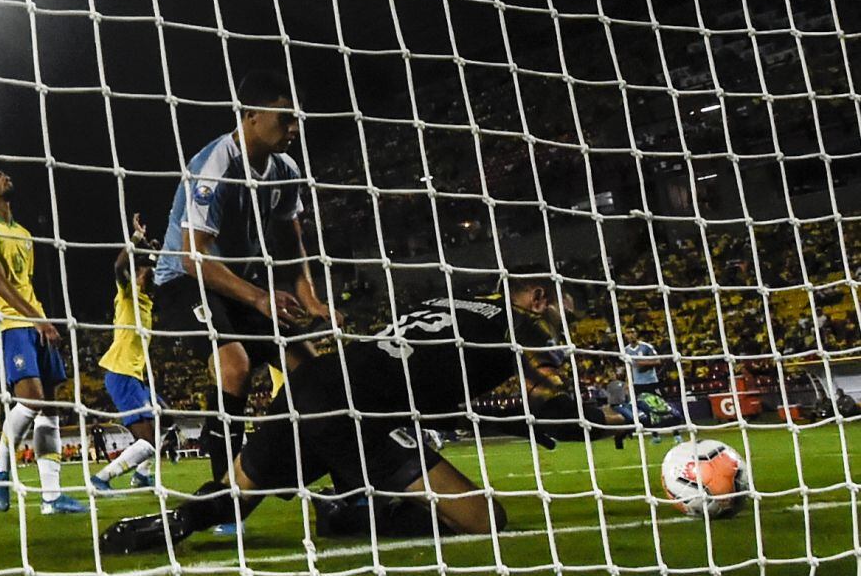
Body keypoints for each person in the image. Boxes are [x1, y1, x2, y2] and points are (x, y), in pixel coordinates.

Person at [101, 274, 625, 553]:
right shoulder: (519, 329)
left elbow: (441, 395)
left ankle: (172, 520)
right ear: (536, 298)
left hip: (315, 383)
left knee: (236, 499)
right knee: (486, 520)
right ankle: (349, 511)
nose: (562, 327)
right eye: (562, 311)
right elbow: (542, 399)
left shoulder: (454, 303)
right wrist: (579, 418)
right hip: (358, 413)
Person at [152, 71, 341, 530]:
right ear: (251, 116)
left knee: (313, 370)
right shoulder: (215, 162)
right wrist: (259, 298)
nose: (293, 128)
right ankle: (224, 497)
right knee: (234, 365)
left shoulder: (286, 171)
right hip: (185, 281)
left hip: (240, 283)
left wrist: (312, 301)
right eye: (285, 118)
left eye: (296, 120)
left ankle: (342, 481)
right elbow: (193, 256)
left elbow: (291, 245)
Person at [0, 165, 87, 515]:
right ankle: (1, 470)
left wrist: (41, 320)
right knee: (31, 401)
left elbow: (25, 284)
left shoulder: (23, 232)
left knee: (50, 409)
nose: (4, 176)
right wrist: (37, 320)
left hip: (35, 322)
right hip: (8, 323)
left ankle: (52, 496)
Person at [90, 214, 176, 493]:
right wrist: (137, 239)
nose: (146, 274)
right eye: (142, 271)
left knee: (167, 416)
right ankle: (102, 478)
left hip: (135, 377)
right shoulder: (127, 295)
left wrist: (155, 253)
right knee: (148, 441)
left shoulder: (148, 301)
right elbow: (119, 265)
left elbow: (157, 269)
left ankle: (141, 474)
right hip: (121, 374)